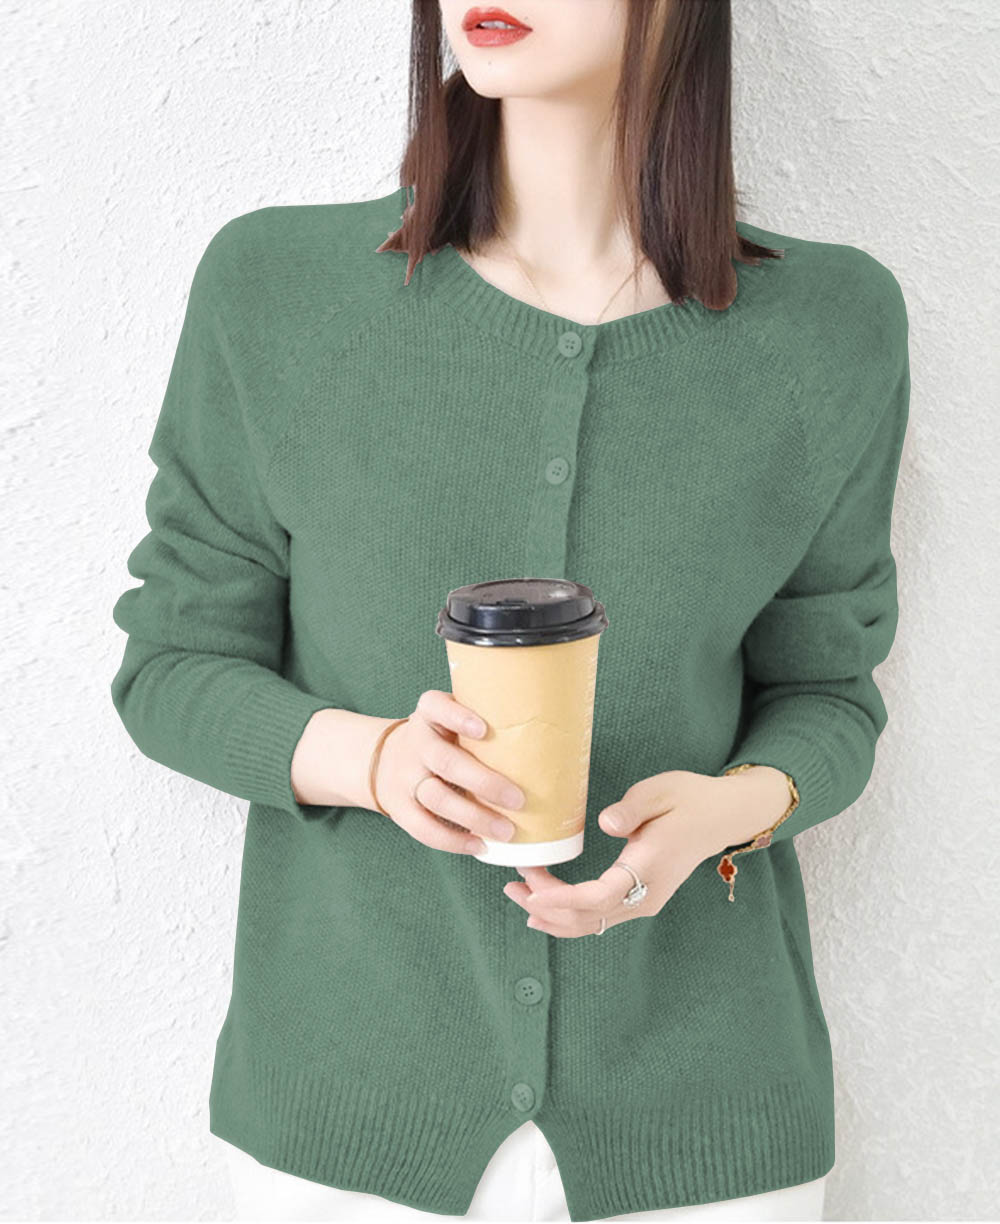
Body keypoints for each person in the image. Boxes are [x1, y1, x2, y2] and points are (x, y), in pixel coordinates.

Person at [109, 1, 910, 1220]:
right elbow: (172, 664)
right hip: (345, 1126)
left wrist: (731, 811)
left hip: (705, 1129)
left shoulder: (832, 327)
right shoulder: (275, 290)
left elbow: (828, 692)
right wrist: (379, 762)